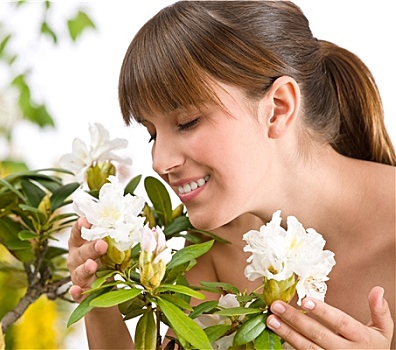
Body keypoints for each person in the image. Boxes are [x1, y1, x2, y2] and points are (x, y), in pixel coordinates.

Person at [68, 1, 396, 349]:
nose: (159, 162)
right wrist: (97, 294)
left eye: (187, 122)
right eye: (152, 133)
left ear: (278, 109)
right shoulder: (219, 244)